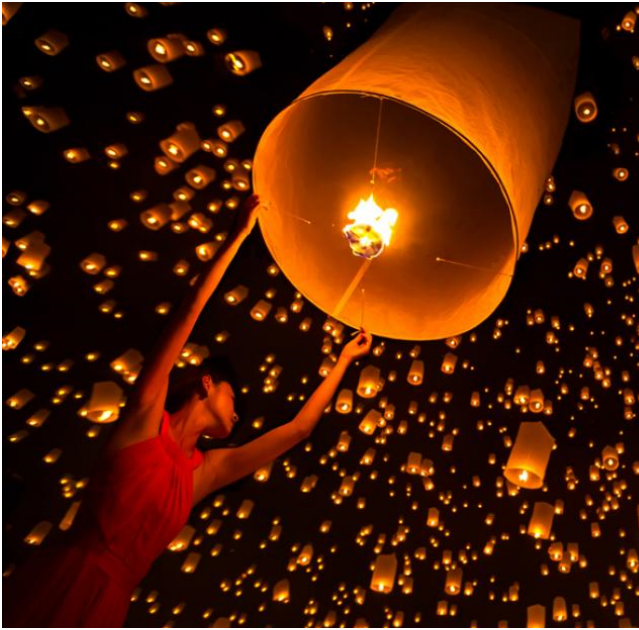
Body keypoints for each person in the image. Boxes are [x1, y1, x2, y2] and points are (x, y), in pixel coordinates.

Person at [1, 195, 375, 627]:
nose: (238, 417)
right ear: (206, 383)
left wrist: (345, 360)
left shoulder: (205, 471)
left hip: (110, 605)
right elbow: (190, 310)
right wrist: (237, 236)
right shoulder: (144, 418)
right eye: (234, 400)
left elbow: (299, 430)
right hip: (64, 577)